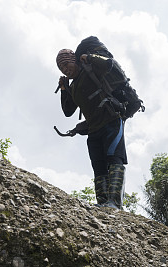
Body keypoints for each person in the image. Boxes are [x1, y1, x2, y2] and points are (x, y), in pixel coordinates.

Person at [55, 47, 127, 210]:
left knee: (114, 158)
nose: (66, 70)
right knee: (98, 165)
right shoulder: (73, 86)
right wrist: (64, 89)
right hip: (93, 129)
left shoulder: (90, 68)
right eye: (62, 69)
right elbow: (68, 111)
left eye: (67, 65)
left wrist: (90, 57)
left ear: (75, 60)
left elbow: (110, 65)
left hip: (111, 120)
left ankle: (115, 202)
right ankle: (103, 202)